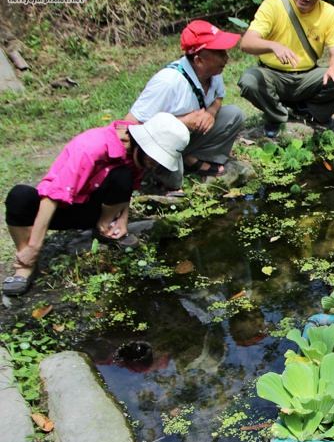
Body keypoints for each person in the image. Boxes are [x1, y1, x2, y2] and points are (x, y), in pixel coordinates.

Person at [2, 113, 189, 297]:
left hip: (91, 210)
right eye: (153, 159)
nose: (153, 165)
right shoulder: (91, 147)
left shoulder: (134, 153)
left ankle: (105, 228)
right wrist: (34, 247)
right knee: (19, 197)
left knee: (122, 175)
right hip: (59, 208)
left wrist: (122, 220)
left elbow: (129, 186)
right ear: (142, 143)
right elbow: (52, 197)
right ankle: (26, 265)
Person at [238, 0, 334, 138]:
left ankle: (311, 113)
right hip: (273, 75)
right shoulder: (273, 6)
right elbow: (246, 42)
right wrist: (273, 46)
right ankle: (277, 117)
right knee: (249, 81)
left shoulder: (330, 13)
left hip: (307, 77)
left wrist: (333, 69)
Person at [126, 20, 244, 189]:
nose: (226, 57)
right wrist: (182, 122)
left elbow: (219, 97)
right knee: (174, 183)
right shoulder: (168, 82)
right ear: (199, 60)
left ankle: (190, 158)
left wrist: (211, 112)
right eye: (219, 53)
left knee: (234, 115)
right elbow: (130, 124)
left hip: (188, 138)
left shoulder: (214, 72)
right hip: (163, 146)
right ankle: (158, 175)